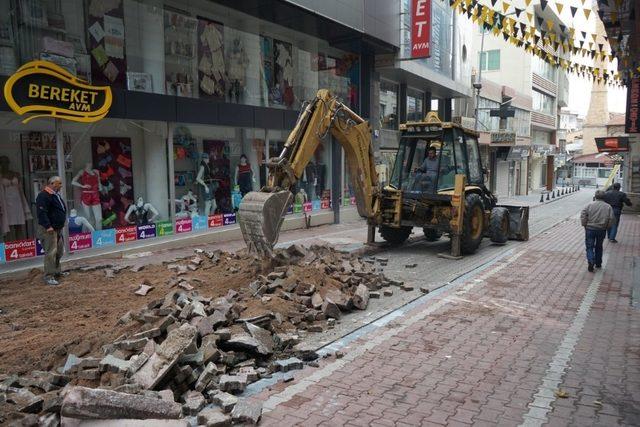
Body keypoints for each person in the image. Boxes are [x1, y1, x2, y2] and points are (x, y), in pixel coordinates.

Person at [35, 176, 67, 286]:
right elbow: (41, 213)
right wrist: (48, 226)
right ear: (52, 183)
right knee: (51, 253)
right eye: (59, 183)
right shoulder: (43, 195)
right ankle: (49, 276)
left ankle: (57, 271)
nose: (61, 186)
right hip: (49, 229)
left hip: (57, 229)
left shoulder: (54, 195)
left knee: (59, 251)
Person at [580, 190, 615, 272]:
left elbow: (583, 215)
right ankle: (598, 263)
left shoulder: (589, 205)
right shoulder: (608, 207)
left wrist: (584, 224)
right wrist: (607, 227)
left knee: (589, 246)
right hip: (601, 229)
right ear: (604, 197)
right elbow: (611, 219)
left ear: (595, 196)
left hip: (590, 229)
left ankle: (591, 260)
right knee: (599, 246)